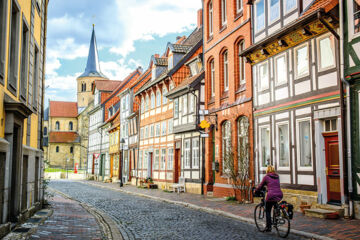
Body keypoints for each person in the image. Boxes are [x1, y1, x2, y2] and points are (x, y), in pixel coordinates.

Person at [256, 165, 283, 232]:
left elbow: (260, 186)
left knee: (268, 210)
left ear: (267, 170)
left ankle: (269, 227)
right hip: (279, 194)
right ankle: (276, 219)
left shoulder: (266, 177)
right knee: (275, 204)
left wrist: (256, 190)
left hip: (271, 195)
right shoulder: (277, 176)